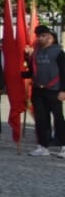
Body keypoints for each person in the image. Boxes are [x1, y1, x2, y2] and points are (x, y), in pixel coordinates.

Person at [30, 26, 64, 157]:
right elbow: (32, 71)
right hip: (38, 90)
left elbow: (64, 72)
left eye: (43, 36)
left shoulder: (58, 52)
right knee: (41, 119)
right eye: (38, 36)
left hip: (54, 90)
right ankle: (43, 146)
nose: (40, 38)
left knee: (58, 119)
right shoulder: (36, 52)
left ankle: (63, 146)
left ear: (50, 37)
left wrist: (63, 90)